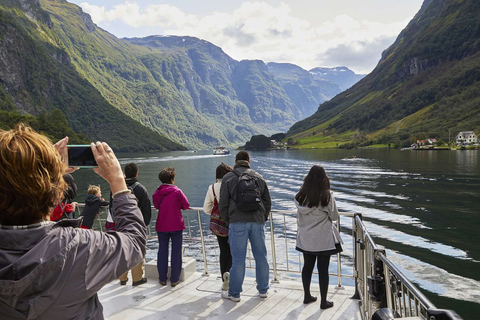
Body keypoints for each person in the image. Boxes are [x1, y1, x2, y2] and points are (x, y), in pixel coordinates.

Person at [0, 124, 146, 319]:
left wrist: (49, 174)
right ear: (56, 194)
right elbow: (135, 242)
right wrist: (118, 181)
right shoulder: (80, 247)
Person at [219, 151, 271, 302]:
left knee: (238, 259)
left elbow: (223, 203)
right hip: (257, 221)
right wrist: (262, 218)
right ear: (249, 160)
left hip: (237, 222)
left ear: (235, 161)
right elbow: (267, 202)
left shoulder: (228, 178)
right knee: (261, 256)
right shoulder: (258, 177)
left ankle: (235, 294)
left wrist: (229, 221)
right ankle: (263, 290)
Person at [294, 165, 343, 309]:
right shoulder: (326, 195)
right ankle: (324, 301)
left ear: (308, 178)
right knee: (323, 269)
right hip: (323, 238)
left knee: (307, 266)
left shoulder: (300, 196)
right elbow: (334, 216)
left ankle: (307, 296)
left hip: (306, 238)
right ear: (324, 178)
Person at [152, 167, 190, 287]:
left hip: (162, 225)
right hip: (176, 225)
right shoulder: (177, 191)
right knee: (176, 252)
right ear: (172, 179)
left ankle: (162, 278)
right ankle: (174, 279)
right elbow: (186, 205)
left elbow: (157, 205)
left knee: (162, 251)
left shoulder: (157, 193)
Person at [118, 162, 152, 286]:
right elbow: (147, 209)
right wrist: (144, 224)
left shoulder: (118, 187)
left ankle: (122, 278)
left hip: (121, 225)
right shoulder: (141, 189)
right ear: (137, 173)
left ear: (125, 173)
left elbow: (112, 207)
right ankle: (137, 279)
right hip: (137, 225)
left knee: (122, 251)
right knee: (137, 250)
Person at [202, 162, 233, 291]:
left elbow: (206, 208)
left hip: (219, 224)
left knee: (223, 251)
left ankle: (223, 279)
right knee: (233, 251)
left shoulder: (212, 188)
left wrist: (215, 214)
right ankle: (230, 276)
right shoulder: (232, 184)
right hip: (232, 222)